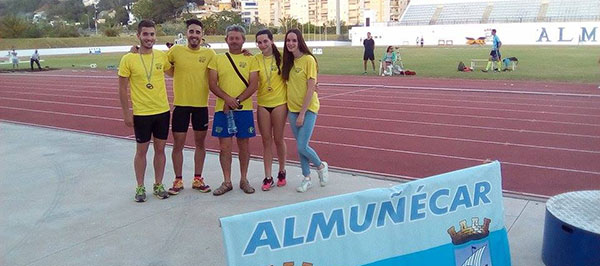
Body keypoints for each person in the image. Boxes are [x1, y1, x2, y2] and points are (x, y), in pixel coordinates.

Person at [118, 20, 172, 202]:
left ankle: (158, 184)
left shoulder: (161, 56)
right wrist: (127, 113)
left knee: (160, 150)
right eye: (146, 34)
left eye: (152, 34)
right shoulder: (128, 58)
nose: (149, 38)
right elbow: (122, 89)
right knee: (141, 151)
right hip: (141, 113)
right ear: (138, 36)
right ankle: (140, 187)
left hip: (162, 111)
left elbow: (174, 71)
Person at [164, 19, 215, 195]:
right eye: (191, 31)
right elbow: (163, 65)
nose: (194, 35)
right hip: (181, 106)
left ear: (202, 35)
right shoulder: (176, 51)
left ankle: (197, 178)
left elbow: (220, 70)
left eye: (197, 32)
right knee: (178, 144)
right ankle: (178, 180)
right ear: (186, 33)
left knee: (200, 143)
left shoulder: (210, 54)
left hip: (201, 106)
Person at [208, 25, 259, 196]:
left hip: (244, 109)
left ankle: (244, 179)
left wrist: (235, 101)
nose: (234, 41)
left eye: (238, 38)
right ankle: (227, 181)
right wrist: (227, 99)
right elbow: (212, 84)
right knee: (225, 147)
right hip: (222, 110)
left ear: (243, 40)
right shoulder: (217, 59)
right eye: (231, 38)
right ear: (226, 40)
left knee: (244, 146)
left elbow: (253, 85)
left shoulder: (252, 59)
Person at [281, 28, 329, 193]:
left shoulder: (308, 60)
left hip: (307, 109)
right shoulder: (287, 61)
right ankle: (306, 178)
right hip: (292, 109)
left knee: (302, 146)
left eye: (294, 40)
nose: (291, 43)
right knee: (301, 146)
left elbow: (310, 88)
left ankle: (321, 166)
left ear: (300, 41)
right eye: (288, 40)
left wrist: (302, 113)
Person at [254, 29, 288, 191]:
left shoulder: (281, 58)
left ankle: (282, 171)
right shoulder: (255, 59)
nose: (262, 45)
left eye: (265, 41)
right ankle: (268, 176)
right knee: (266, 141)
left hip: (279, 103)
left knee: (278, 139)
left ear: (271, 41)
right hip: (262, 103)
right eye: (259, 42)